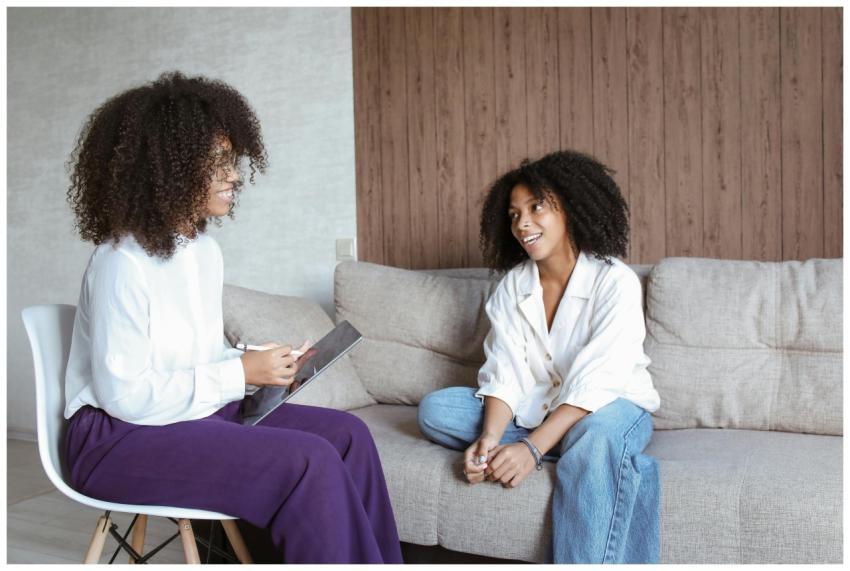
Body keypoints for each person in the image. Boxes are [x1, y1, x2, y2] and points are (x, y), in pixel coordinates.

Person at [63, 71, 402, 564]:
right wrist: (238, 374)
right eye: (219, 162)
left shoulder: (203, 251)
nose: (236, 176)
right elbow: (126, 396)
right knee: (307, 461)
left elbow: (191, 356)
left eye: (233, 161)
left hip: (186, 415)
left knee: (350, 436)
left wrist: (255, 364)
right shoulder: (121, 263)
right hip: (116, 439)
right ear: (169, 167)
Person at [417, 150, 662, 564]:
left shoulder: (614, 281)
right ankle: (590, 455)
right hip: (536, 411)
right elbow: (505, 372)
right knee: (437, 410)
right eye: (514, 215)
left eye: (536, 208)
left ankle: (587, 452)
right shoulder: (513, 286)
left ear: (570, 207)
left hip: (612, 406)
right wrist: (489, 439)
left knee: (597, 436)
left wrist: (530, 450)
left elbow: (597, 382)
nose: (522, 224)